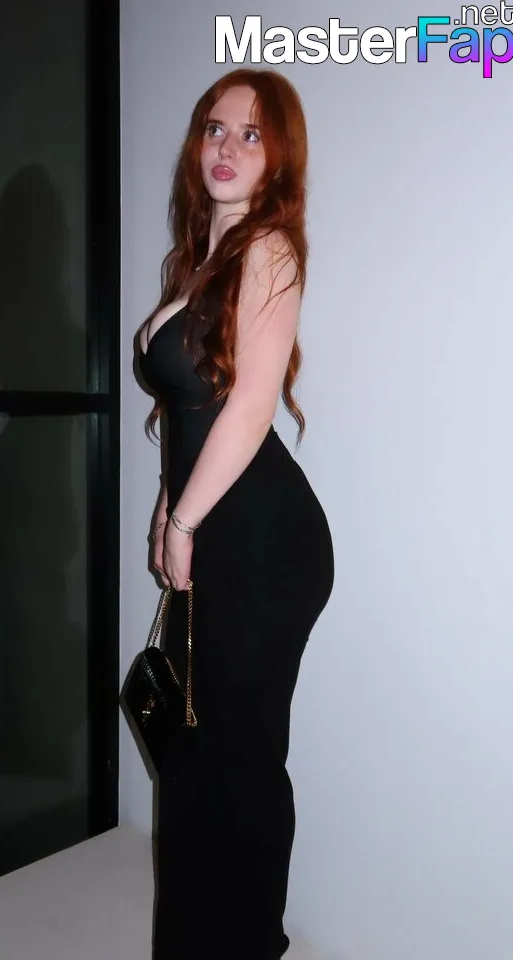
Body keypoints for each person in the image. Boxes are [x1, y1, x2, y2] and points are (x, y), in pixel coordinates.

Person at [136, 67, 335, 960]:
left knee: (243, 757)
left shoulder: (271, 250)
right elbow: (196, 408)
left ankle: (251, 943)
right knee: (194, 745)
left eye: (252, 134)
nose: (227, 146)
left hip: (265, 542)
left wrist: (185, 522)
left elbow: (251, 407)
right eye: (216, 128)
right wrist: (167, 507)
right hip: (212, 521)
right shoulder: (199, 264)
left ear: (278, 158)